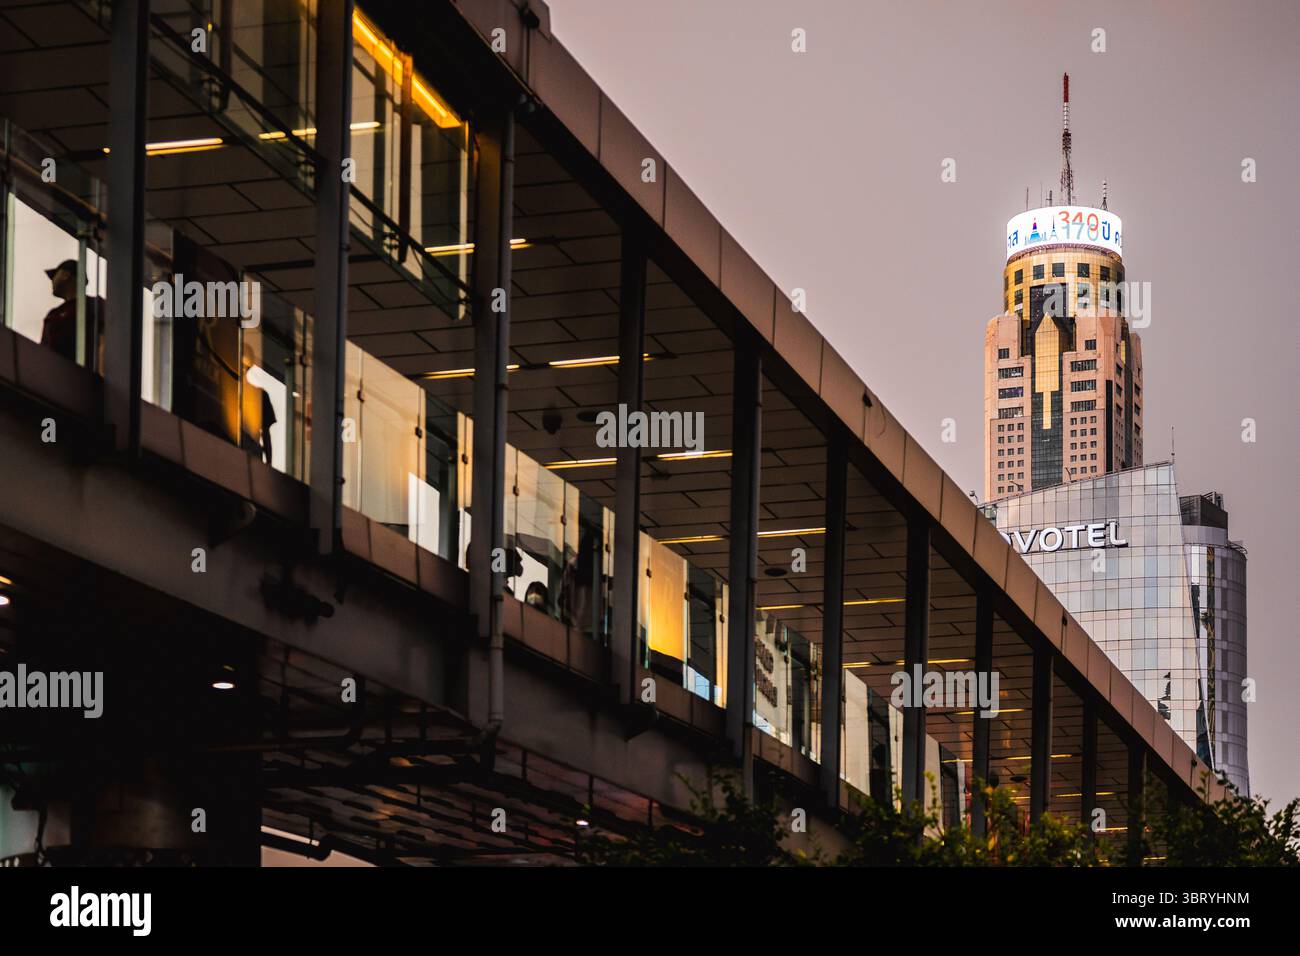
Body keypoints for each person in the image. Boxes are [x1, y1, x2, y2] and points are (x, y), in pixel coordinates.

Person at [39, 258, 103, 365]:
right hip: (54, 371)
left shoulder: (93, 304)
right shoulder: (53, 314)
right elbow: (43, 351)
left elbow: (104, 339)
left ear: (66, 275)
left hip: (81, 372)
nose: (52, 280)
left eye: (54, 275)